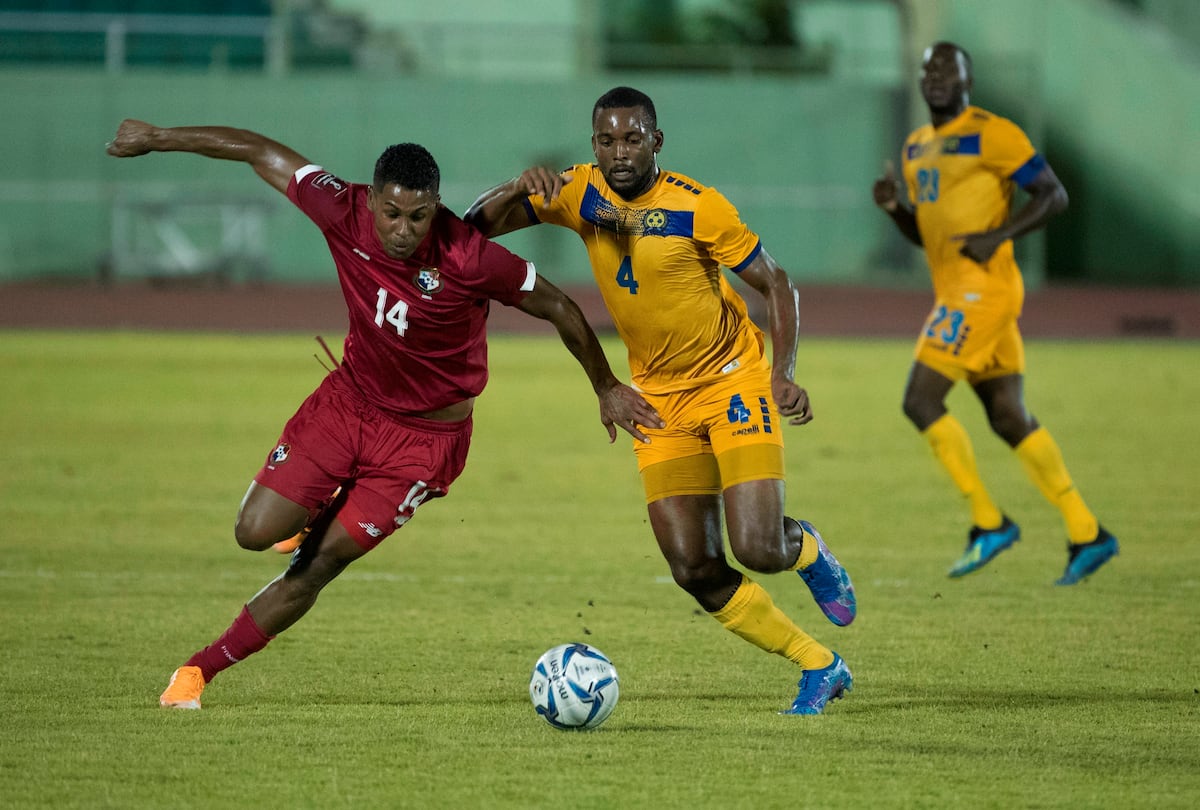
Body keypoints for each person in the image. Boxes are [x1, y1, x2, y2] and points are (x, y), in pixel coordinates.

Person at [106, 118, 663, 709]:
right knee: (252, 533)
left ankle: (197, 671)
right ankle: (316, 502)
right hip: (349, 404)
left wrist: (605, 386)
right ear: (370, 200)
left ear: (436, 207)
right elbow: (259, 150)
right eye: (392, 214)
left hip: (423, 446)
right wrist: (158, 137)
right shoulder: (340, 209)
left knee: (316, 566)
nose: (404, 230)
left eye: (419, 216)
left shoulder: (470, 257)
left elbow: (560, 306)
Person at [466, 86, 856, 715]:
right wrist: (516, 187)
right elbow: (470, 230)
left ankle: (806, 548)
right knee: (694, 568)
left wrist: (783, 371)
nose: (619, 152)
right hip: (656, 398)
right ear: (593, 143)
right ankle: (819, 665)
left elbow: (775, 281)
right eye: (606, 140)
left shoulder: (700, 207)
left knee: (757, 547)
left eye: (632, 138)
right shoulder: (578, 190)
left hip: (731, 379)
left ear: (656, 140)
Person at [871, 42, 1118, 585]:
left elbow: (1053, 196)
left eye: (948, 68)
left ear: (968, 79)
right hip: (960, 292)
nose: (935, 76)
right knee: (1008, 415)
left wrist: (998, 235)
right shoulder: (916, 149)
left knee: (920, 400)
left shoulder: (995, 133)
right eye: (928, 68)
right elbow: (927, 234)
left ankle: (988, 522)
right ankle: (1086, 530)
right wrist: (895, 209)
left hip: (982, 292)